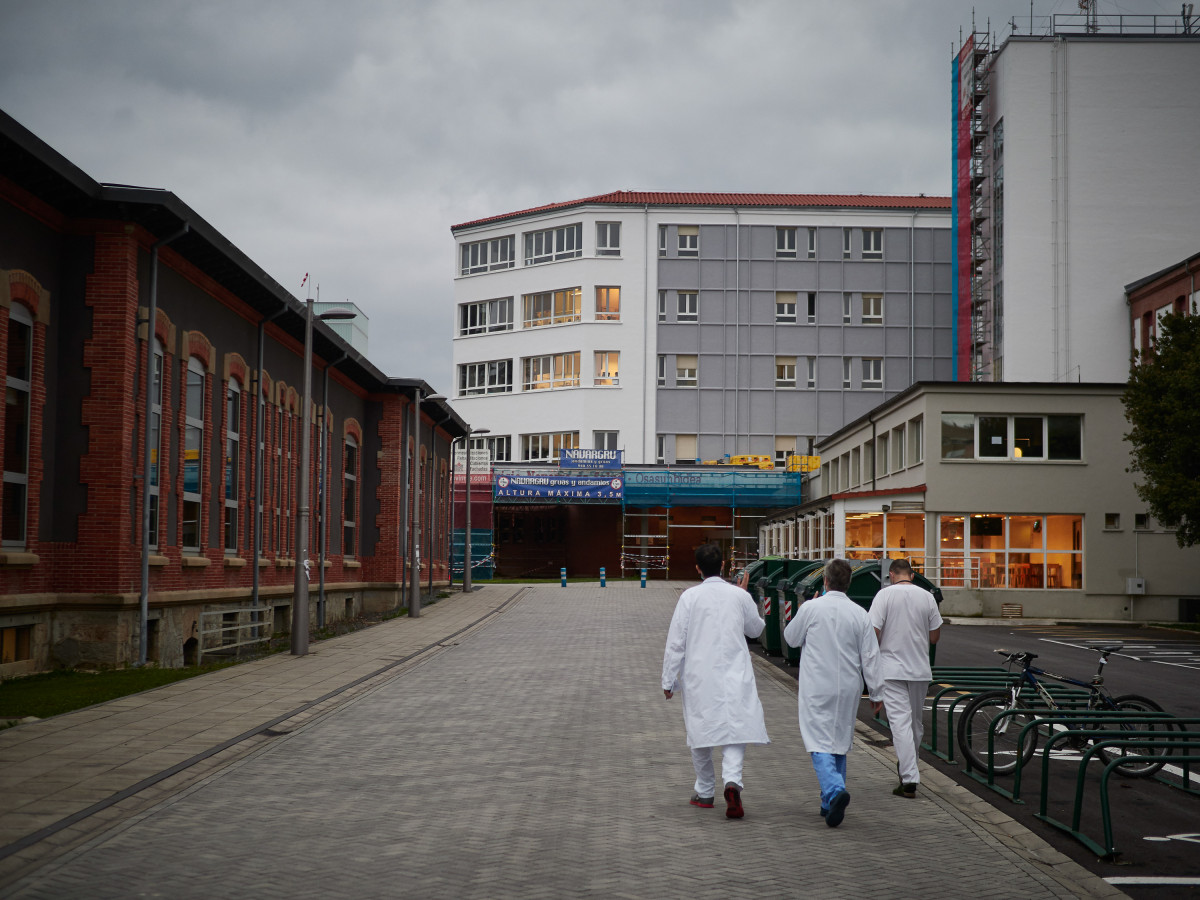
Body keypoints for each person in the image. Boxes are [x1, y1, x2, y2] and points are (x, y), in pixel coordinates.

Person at [662, 543, 769, 819]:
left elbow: (676, 641)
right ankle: (732, 781)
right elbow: (756, 629)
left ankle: (705, 790)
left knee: (700, 729)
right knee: (735, 728)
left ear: (697, 568)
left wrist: (668, 679)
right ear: (723, 566)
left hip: (700, 674)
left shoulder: (689, 597)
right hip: (735, 672)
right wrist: (746, 599)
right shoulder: (738, 595)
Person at [783, 558, 883, 828]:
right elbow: (871, 657)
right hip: (848, 686)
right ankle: (828, 803)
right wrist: (876, 693)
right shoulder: (860, 614)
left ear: (825, 581)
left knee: (817, 741)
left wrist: (802, 609)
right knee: (838, 742)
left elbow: (791, 638)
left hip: (817, 685)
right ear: (848, 584)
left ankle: (835, 790)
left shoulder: (812, 608)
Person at [870, 558, 943, 798]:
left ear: (891, 575)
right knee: (915, 723)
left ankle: (909, 777)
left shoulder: (884, 596)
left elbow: (873, 632)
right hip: (920, 669)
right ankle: (908, 767)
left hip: (891, 669)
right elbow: (934, 637)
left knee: (900, 723)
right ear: (911, 575)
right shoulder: (928, 597)